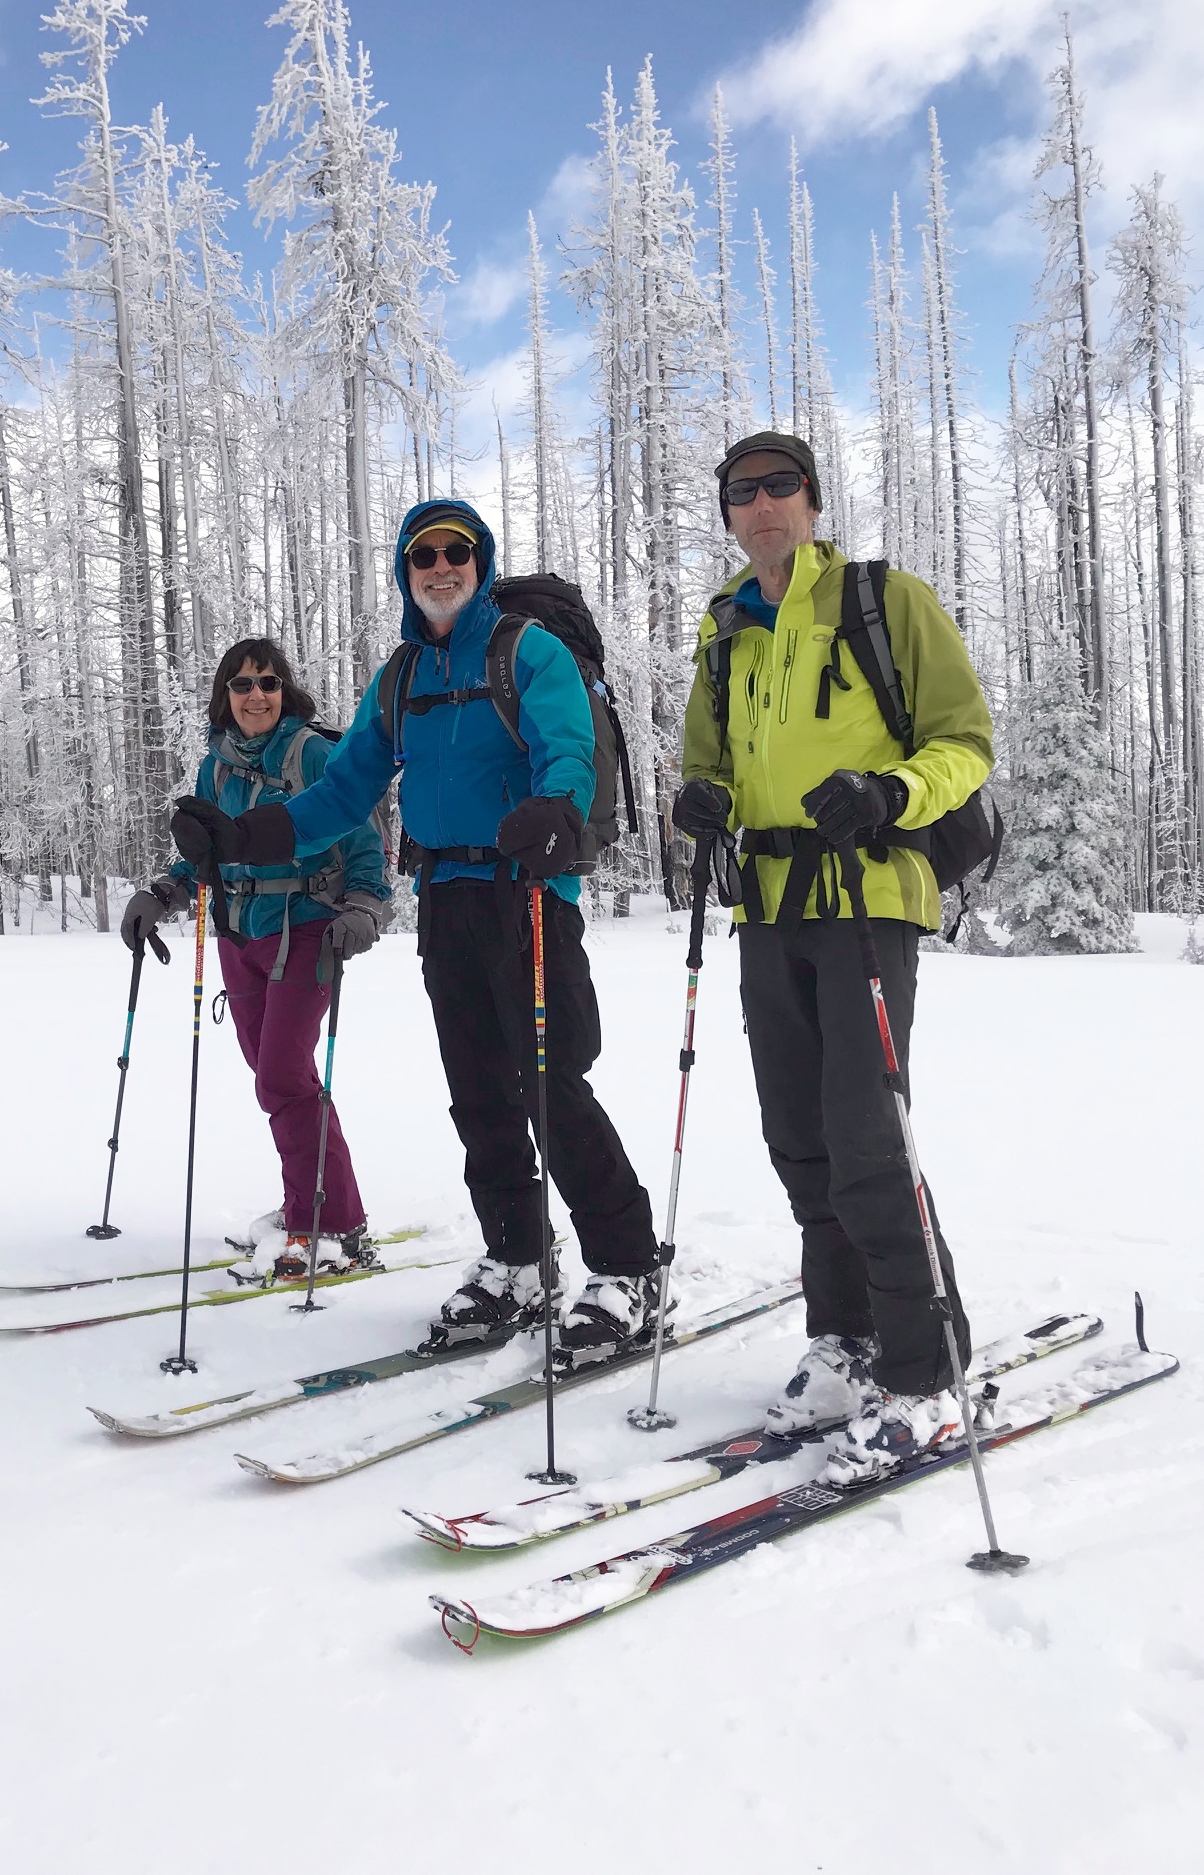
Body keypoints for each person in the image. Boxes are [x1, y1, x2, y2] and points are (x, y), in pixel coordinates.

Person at [169, 501, 660, 1362]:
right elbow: (342, 790)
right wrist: (241, 839)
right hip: (447, 895)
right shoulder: (401, 678)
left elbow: (569, 748)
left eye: (457, 552)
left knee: (552, 1085)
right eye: (424, 554)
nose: (441, 566)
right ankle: (516, 1258)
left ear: (479, 562)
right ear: (406, 570)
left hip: (529, 890)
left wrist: (557, 807)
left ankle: (627, 1269)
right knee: (477, 1089)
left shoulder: (526, 651)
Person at [674, 431, 994, 1482]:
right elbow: (706, 759)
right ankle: (849, 1342)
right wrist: (701, 799)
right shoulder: (726, 629)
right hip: (765, 907)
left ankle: (926, 1373)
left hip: (866, 893)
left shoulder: (880, 600)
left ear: (811, 501)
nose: (761, 505)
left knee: (864, 1134)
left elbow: (963, 739)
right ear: (727, 513)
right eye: (742, 493)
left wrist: (890, 792)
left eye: (780, 487)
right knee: (799, 1137)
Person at [120, 640, 390, 1280]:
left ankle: (320, 1224)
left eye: (268, 682)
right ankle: (323, 1209)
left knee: (283, 1077)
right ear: (225, 697)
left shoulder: (317, 754)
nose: (256, 695)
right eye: (241, 685)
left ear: (284, 690)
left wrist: (366, 907)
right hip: (239, 937)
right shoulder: (213, 770)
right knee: (278, 1079)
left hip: (307, 929)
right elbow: (207, 857)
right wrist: (164, 893)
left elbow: (363, 839)